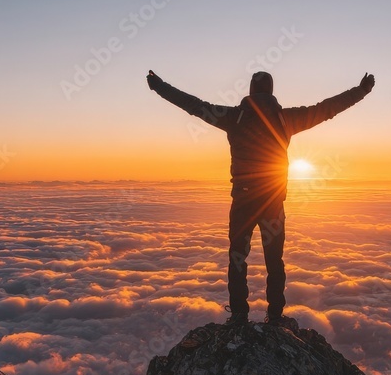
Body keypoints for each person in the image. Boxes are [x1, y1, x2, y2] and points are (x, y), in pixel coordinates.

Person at [147, 69, 375, 326]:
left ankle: (239, 315)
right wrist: (361, 91)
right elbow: (327, 108)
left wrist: (159, 86)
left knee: (237, 257)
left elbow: (194, 105)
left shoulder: (234, 117)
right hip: (273, 201)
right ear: (271, 91)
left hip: (243, 200)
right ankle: (275, 316)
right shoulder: (286, 118)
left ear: (251, 91)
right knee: (274, 261)